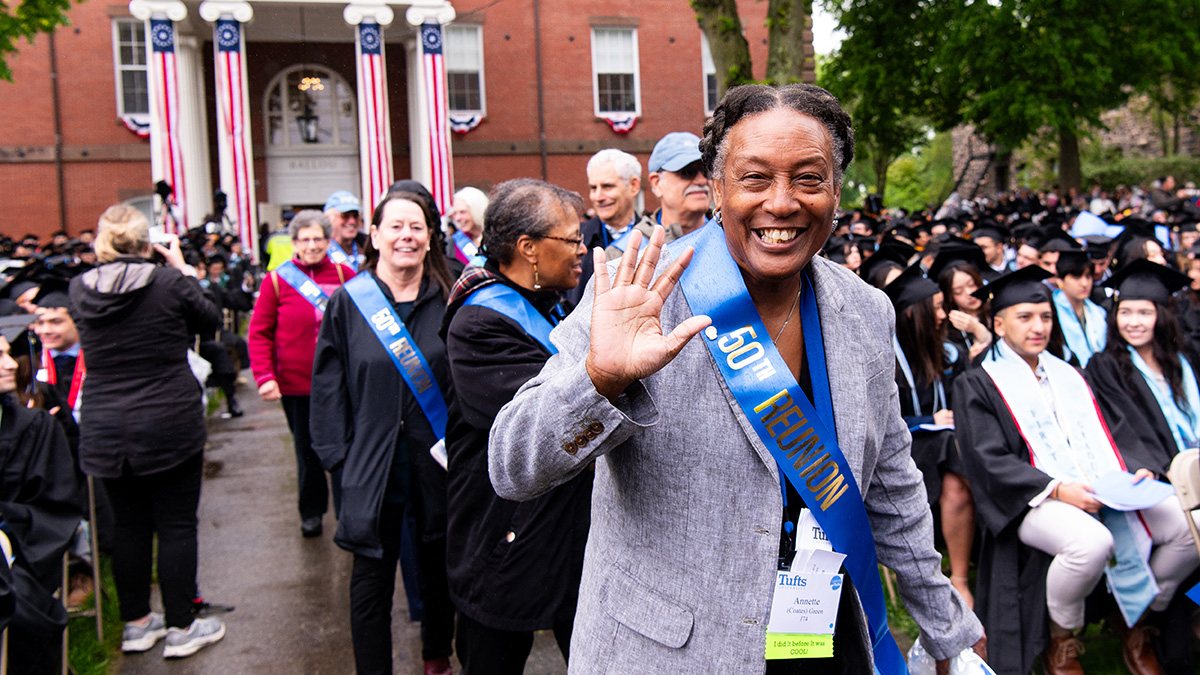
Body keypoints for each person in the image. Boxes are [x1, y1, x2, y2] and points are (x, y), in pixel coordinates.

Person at [489, 83, 983, 673]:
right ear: (717, 189)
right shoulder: (636, 293)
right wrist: (600, 380)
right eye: (755, 179)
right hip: (668, 654)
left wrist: (949, 628)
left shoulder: (865, 311)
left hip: (818, 643)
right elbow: (512, 465)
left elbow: (893, 486)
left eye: (808, 178)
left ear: (835, 192)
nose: (782, 203)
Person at [952, 265, 1199, 675]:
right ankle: (1061, 637)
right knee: (1091, 542)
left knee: (1184, 526)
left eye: (1046, 316)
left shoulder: (1071, 374)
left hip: (1097, 485)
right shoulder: (978, 383)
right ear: (998, 323)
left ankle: (1135, 614)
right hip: (1030, 500)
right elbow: (987, 458)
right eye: (1026, 317)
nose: (1039, 327)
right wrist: (1057, 489)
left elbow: (1116, 428)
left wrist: (1138, 470)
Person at [442, 179, 590, 674]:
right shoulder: (480, 324)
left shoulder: (551, 301)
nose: (582, 250)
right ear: (528, 248)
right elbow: (549, 420)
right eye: (571, 240)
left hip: (564, 538)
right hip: (501, 541)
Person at [68, 204, 226, 658]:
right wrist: (182, 267)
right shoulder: (168, 282)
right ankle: (180, 625)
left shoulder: (80, 289)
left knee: (130, 526)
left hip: (105, 424)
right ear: (145, 242)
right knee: (177, 524)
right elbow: (209, 319)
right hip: (167, 420)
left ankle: (136, 623)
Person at [311, 191, 456, 675]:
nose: (405, 237)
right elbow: (328, 384)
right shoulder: (349, 303)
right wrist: (338, 456)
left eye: (415, 227)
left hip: (437, 463)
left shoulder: (451, 293)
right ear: (374, 236)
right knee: (370, 582)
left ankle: (437, 656)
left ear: (430, 235)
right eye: (394, 227)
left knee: (439, 570)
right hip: (372, 466)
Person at [248, 210, 354, 538]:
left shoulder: (344, 274)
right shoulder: (277, 280)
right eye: (304, 239)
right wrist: (265, 375)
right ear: (294, 243)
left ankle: (348, 513)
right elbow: (260, 332)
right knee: (306, 451)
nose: (311, 245)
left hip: (339, 384)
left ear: (328, 241)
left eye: (318, 239)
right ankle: (311, 511)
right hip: (296, 385)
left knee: (342, 447)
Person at [883, 265, 975, 609]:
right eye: (935, 308)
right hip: (907, 449)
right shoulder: (885, 359)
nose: (943, 315)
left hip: (947, 446)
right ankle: (960, 577)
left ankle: (959, 574)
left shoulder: (945, 352)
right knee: (953, 456)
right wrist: (927, 419)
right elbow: (880, 423)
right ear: (913, 314)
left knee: (955, 456)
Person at [0, 323, 82, 674]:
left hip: (21, 556)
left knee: (25, 613)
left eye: (8, 353)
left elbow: (54, 509)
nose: (10, 364)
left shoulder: (32, 426)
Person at [566, 149, 656, 309]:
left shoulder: (654, 237)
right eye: (593, 188)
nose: (597, 197)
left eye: (607, 187)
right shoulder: (575, 240)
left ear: (634, 186)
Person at [646, 131, 711, 237]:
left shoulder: (734, 239)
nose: (702, 181)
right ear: (657, 183)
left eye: (706, 172)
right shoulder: (631, 249)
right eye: (687, 172)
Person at [1052, 250, 1106, 367]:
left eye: (1088, 276)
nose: (1084, 283)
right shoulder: (1052, 313)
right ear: (1060, 280)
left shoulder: (1099, 312)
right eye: (1076, 276)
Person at [324, 190, 367, 272]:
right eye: (345, 216)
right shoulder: (319, 247)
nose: (352, 221)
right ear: (328, 218)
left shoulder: (369, 244)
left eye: (355, 216)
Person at [448, 186, 488, 266]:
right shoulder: (453, 242)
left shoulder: (496, 239)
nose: (457, 218)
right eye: (455, 213)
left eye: (462, 212)